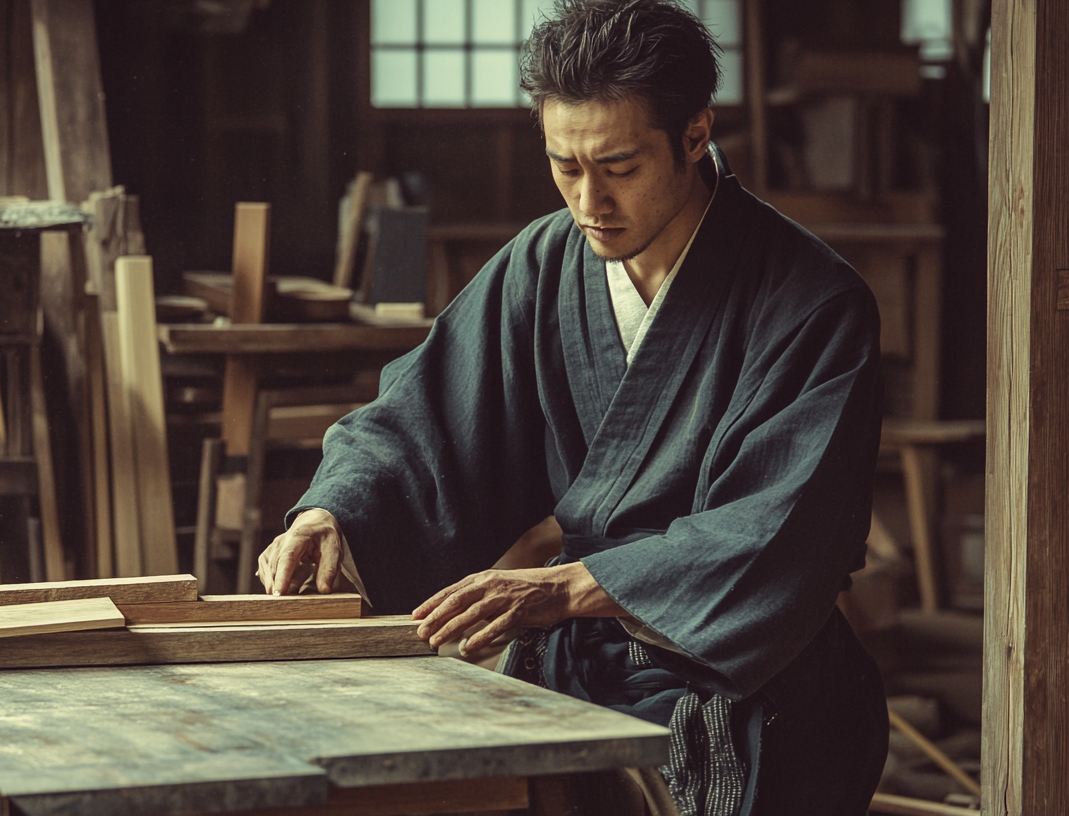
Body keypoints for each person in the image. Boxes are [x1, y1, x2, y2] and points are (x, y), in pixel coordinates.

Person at [257, 1, 888, 813]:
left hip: (740, 682)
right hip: (569, 666)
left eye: (619, 167)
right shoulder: (544, 262)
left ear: (696, 136)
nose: (589, 200)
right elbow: (424, 420)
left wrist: (564, 589)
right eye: (565, 165)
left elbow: (774, 532)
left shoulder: (812, 302)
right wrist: (333, 512)